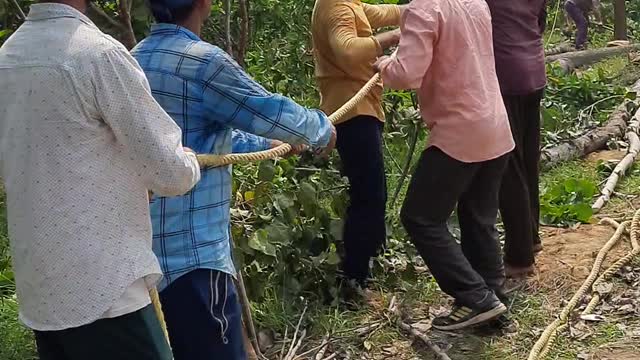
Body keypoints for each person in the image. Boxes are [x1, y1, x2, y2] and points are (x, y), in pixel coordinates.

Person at [131, 0, 337, 358]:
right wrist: (321, 129)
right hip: (194, 262)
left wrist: (265, 144)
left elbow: (191, 136)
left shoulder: (131, 61)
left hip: (142, 265)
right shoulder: (203, 62)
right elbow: (268, 109)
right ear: (204, 3)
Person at [0, 1, 201, 359]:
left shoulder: (7, 58)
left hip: (43, 292)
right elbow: (171, 173)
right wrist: (187, 160)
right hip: (106, 290)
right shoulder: (98, 55)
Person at [374, 0, 515, 330]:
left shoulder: (423, 8)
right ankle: (493, 301)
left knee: (420, 217)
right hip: (493, 122)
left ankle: (476, 297)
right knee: (479, 217)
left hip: (460, 129)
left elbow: (407, 74)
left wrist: (384, 65)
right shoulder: (475, 2)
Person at [311, 0, 405, 301]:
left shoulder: (345, 3)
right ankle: (355, 277)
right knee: (369, 196)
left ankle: (367, 264)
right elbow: (348, 49)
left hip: (359, 108)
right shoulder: (335, 7)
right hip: (352, 111)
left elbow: (379, 12)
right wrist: (390, 38)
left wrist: (418, 9)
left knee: (372, 192)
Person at [486, 0, 547, 278]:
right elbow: (540, 23)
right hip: (533, 74)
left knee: (509, 166)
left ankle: (519, 257)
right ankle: (531, 237)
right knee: (528, 161)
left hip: (504, 77)